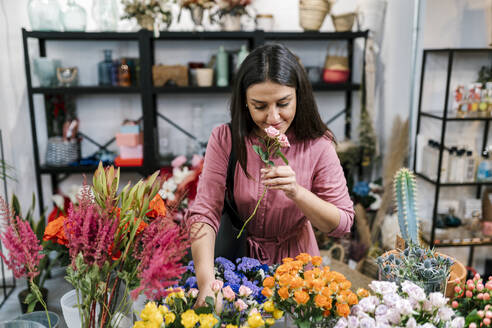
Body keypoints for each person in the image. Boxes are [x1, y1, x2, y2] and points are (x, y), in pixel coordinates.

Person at [185, 43, 354, 307]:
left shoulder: (318, 144)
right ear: (244, 102)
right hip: (237, 267)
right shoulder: (226, 139)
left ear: (299, 95)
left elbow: (343, 223)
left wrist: (297, 192)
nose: (273, 117)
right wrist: (207, 284)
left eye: (283, 103)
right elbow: (204, 213)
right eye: (260, 106)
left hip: (298, 274)